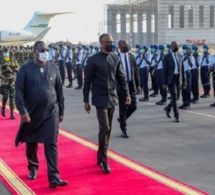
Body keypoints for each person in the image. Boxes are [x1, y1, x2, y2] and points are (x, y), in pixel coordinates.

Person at [15, 41, 68, 188]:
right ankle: (33, 166)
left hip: (51, 112)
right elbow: (18, 91)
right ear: (34, 52)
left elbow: (59, 91)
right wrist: (22, 110)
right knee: (31, 141)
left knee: (51, 143)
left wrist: (61, 111)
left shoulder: (53, 68)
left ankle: (54, 177)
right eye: (42, 50)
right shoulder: (25, 69)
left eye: (47, 49)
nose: (45, 52)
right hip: (31, 113)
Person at [83, 34, 131, 173]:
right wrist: (86, 100)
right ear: (101, 43)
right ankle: (104, 160)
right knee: (105, 126)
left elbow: (121, 78)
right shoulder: (93, 60)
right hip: (99, 97)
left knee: (107, 129)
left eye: (111, 42)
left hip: (112, 97)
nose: (110, 44)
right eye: (107, 42)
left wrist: (127, 94)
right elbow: (87, 82)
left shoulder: (115, 58)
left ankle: (100, 155)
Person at [117, 40, 141, 138]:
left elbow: (136, 71)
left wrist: (138, 85)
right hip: (121, 86)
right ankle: (124, 130)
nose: (127, 46)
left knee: (133, 106)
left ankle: (122, 119)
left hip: (131, 84)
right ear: (120, 47)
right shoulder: (116, 58)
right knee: (122, 108)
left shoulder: (131, 57)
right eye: (124, 45)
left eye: (127, 44)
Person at [163, 41, 186, 122]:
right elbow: (164, 71)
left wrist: (184, 81)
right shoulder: (166, 57)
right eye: (175, 45)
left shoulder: (180, 56)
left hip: (178, 78)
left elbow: (183, 70)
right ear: (171, 47)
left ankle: (168, 108)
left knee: (177, 97)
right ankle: (177, 115)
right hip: (171, 79)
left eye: (178, 45)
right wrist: (164, 83)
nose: (177, 47)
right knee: (174, 95)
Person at [0, 48, 19, 119]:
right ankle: (3, 108)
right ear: (3, 53)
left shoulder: (13, 60)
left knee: (12, 97)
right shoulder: (1, 60)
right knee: (5, 96)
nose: (6, 53)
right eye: (5, 52)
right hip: (4, 80)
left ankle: (11, 113)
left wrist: (13, 69)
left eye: (7, 52)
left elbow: (17, 68)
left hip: (12, 80)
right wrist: (4, 72)